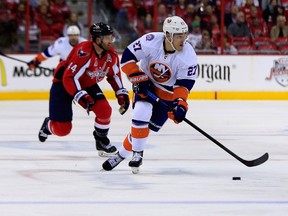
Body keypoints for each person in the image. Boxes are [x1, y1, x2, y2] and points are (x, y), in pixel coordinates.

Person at [102, 16, 198, 173]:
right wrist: (139, 78)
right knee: (141, 111)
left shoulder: (188, 55)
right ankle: (137, 154)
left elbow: (184, 85)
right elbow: (127, 59)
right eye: (179, 36)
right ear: (168, 35)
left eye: (185, 35)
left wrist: (181, 105)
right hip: (147, 85)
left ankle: (120, 155)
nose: (183, 40)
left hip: (168, 93)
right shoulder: (150, 41)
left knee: (144, 130)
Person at [37, 22, 130, 157]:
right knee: (63, 130)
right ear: (98, 39)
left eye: (111, 36)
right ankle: (48, 125)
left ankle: (101, 140)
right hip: (63, 84)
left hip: (86, 83)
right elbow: (69, 78)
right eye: (107, 37)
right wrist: (80, 95)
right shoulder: (84, 52)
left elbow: (114, 74)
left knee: (104, 110)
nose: (111, 40)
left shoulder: (111, 54)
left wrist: (121, 93)